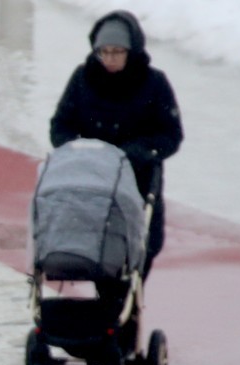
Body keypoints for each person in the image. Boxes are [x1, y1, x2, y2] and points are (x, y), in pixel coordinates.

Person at [50, 10, 183, 280]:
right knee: (89, 249)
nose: (109, 59)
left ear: (131, 50)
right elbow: (60, 126)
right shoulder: (82, 79)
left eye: (117, 52)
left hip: (138, 180)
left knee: (140, 249)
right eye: (104, 52)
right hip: (89, 182)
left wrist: (143, 150)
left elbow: (171, 134)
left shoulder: (154, 83)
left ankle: (129, 310)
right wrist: (79, 148)